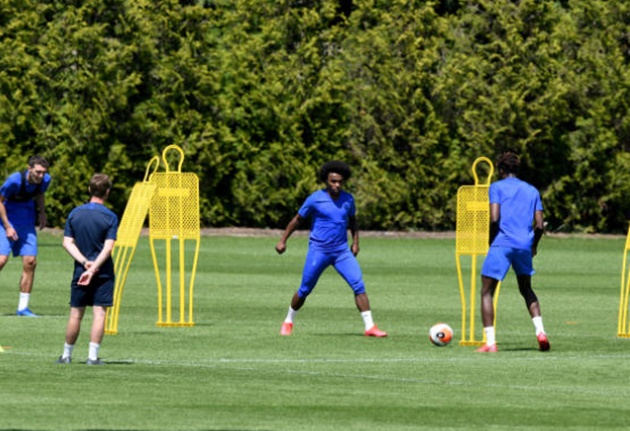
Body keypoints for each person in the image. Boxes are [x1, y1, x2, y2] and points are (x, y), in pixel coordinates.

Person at [275, 160, 387, 337]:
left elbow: (353, 221)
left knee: (358, 284)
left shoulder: (348, 199)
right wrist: (283, 240)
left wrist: (356, 242)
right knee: (305, 289)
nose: (337, 185)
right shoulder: (315, 199)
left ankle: (370, 327)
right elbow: (297, 220)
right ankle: (288, 321)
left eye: (340, 182)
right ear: (326, 181)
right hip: (319, 251)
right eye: (333, 181)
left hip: (341, 252)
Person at [476, 152, 550, 352]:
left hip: (503, 243)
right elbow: (540, 225)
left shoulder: (496, 187)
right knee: (526, 289)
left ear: (500, 170)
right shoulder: (532, 190)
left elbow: (494, 218)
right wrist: (533, 245)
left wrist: (490, 240)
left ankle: (490, 342)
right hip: (524, 245)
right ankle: (540, 332)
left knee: (486, 291)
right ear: (517, 170)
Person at [57, 174, 118, 365]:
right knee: (99, 312)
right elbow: (108, 248)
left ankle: (66, 355)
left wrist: (85, 263)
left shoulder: (75, 213)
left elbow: (67, 243)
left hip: (80, 271)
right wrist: (94, 268)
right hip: (103, 271)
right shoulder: (110, 216)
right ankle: (92, 357)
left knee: (76, 313)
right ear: (107, 192)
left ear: (89, 190)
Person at [0, 155, 51, 317]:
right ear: (29, 169)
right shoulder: (13, 181)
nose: (41, 176)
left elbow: (40, 194)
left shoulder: (45, 180)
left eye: (43, 172)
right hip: (6, 222)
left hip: (27, 223)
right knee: (1, 260)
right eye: (38, 172)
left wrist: (42, 213)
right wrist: (7, 226)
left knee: (31, 262)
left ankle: (23, 308)